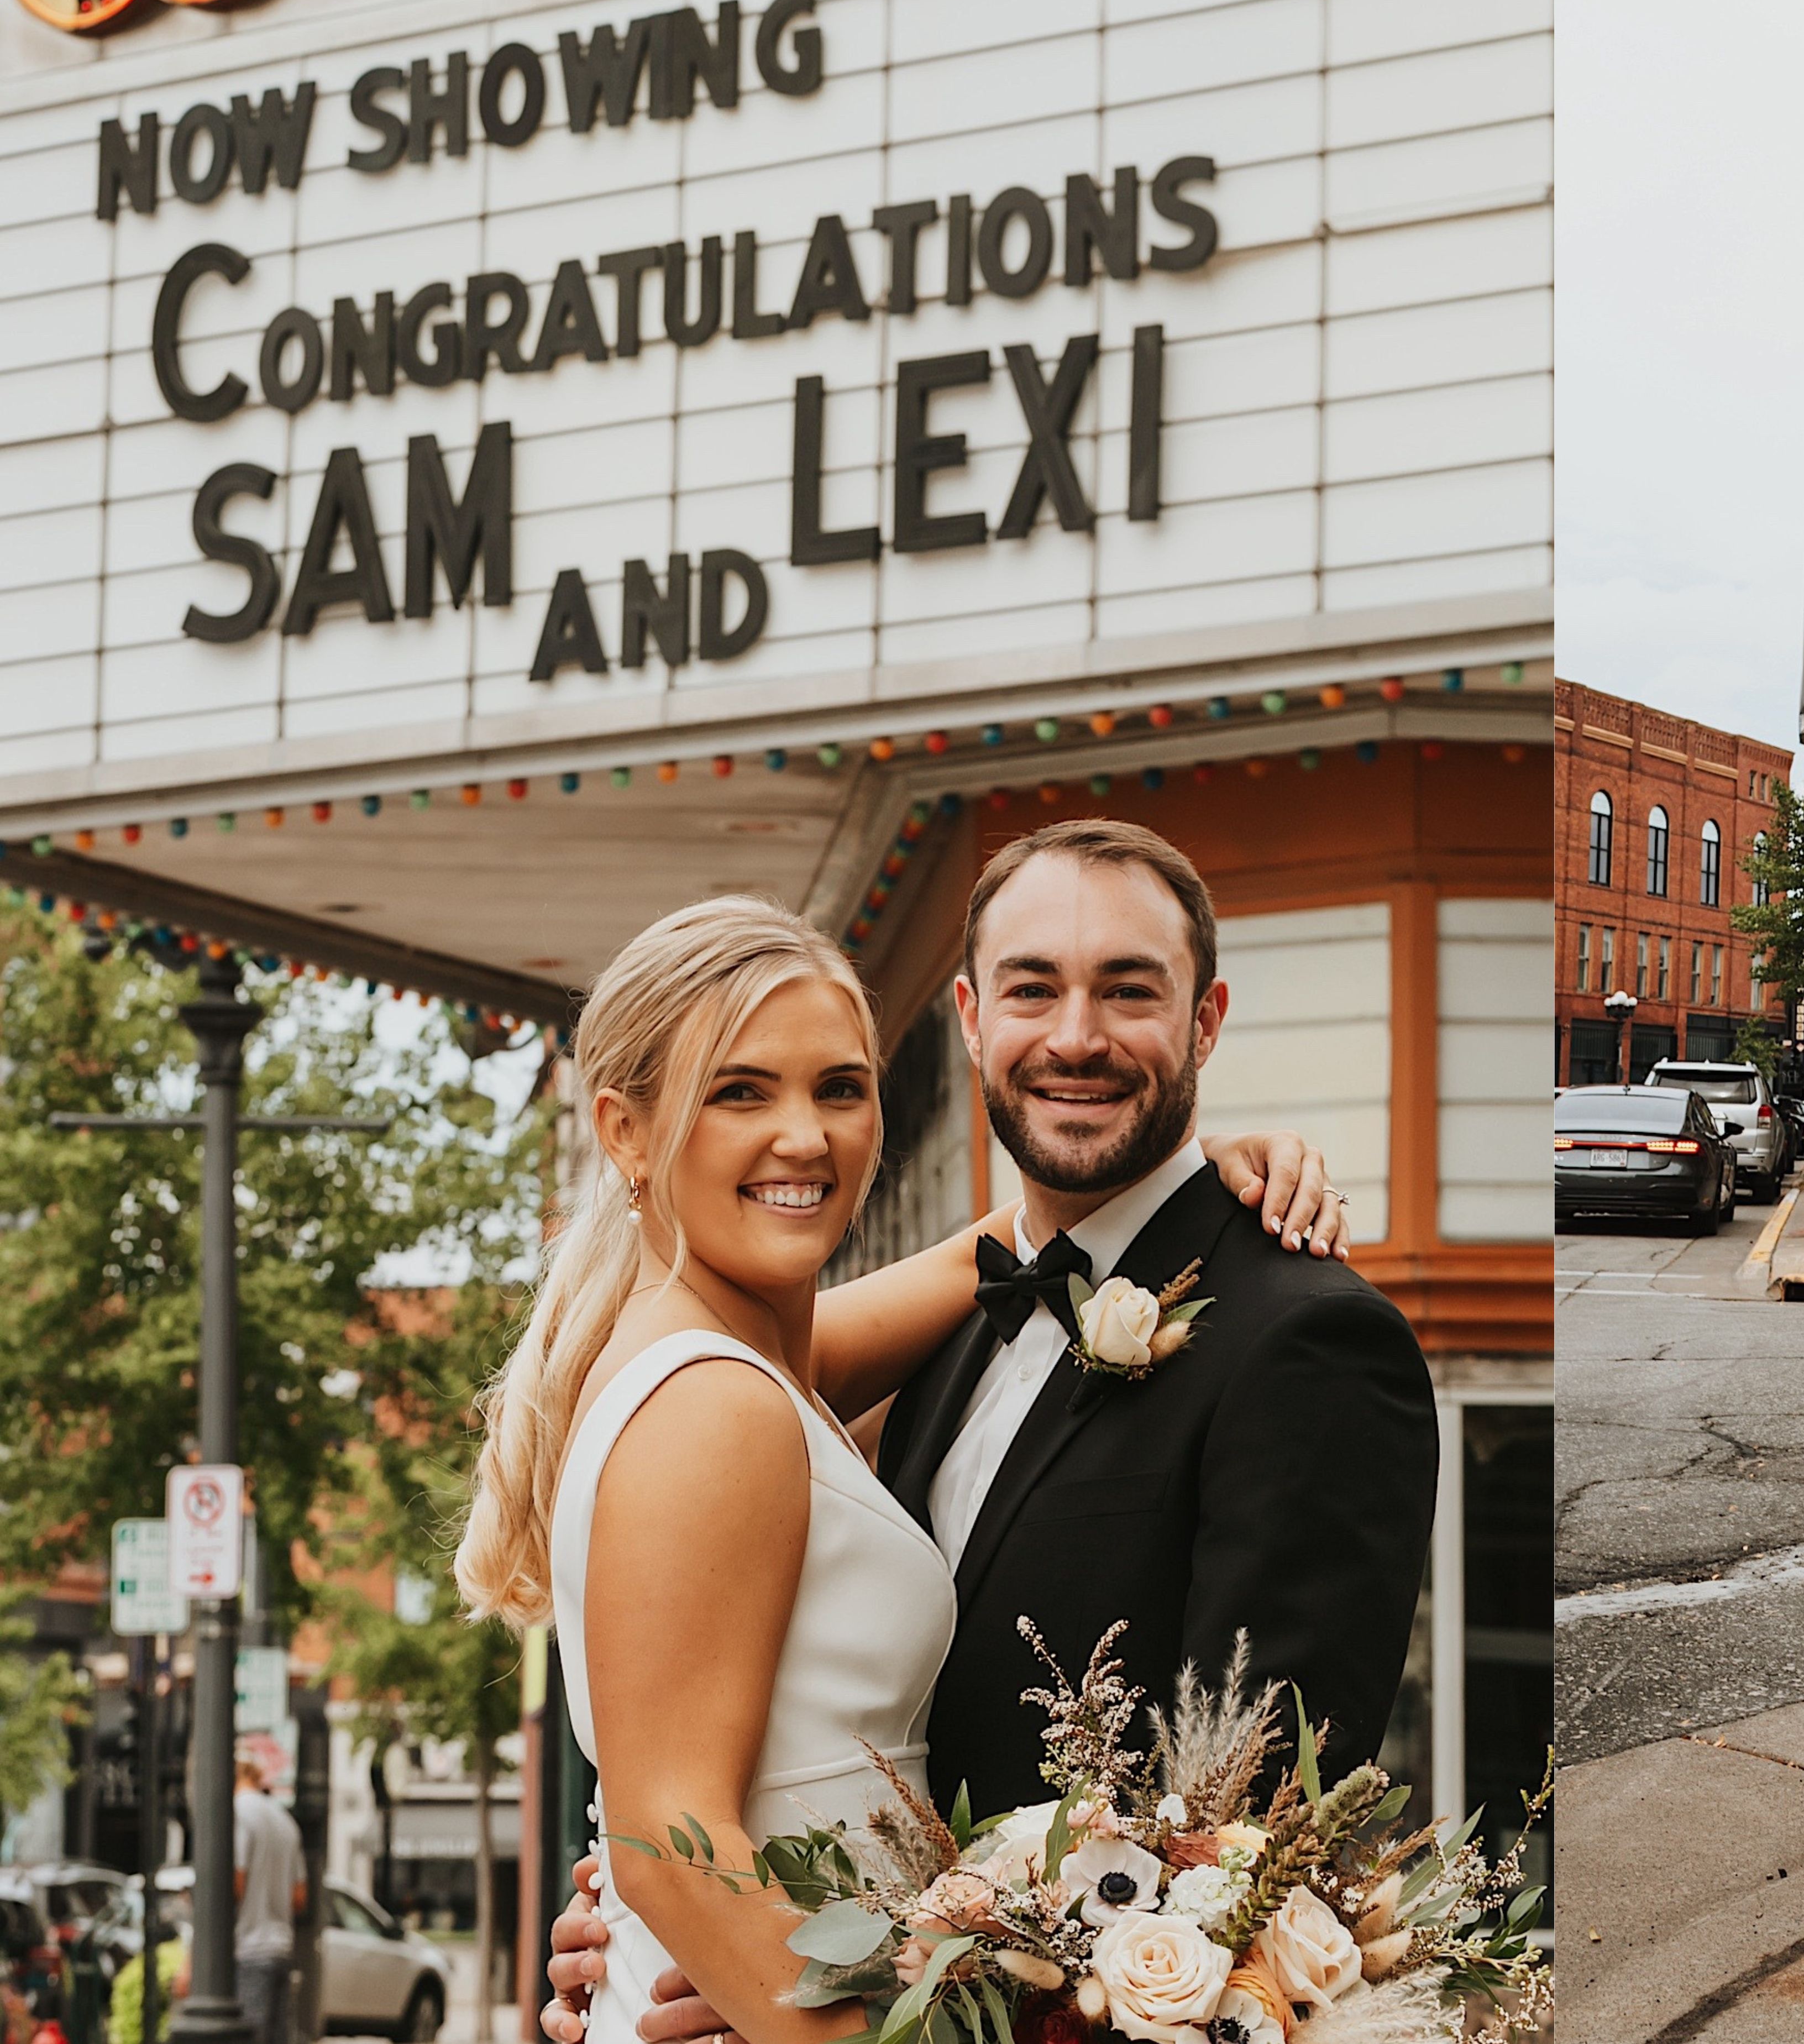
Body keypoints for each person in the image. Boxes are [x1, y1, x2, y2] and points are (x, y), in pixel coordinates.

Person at [501, 831, 1430, 2044]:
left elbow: (1244, 1856)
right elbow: (686, 1811)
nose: (1076, 1037)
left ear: (1205, 1022)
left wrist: (735, 1940)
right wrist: (675, 1918)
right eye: (1033, 988)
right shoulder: (912, 1342)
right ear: (971, 1015)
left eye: (1129, 990)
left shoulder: (1305, 1346)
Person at [231, 1753, 305, 2044]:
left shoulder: (238, 1812)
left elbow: (235, 1883)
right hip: (280, 1947)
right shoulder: (285, 1821)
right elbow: (299, 1898)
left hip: (247, 1949)